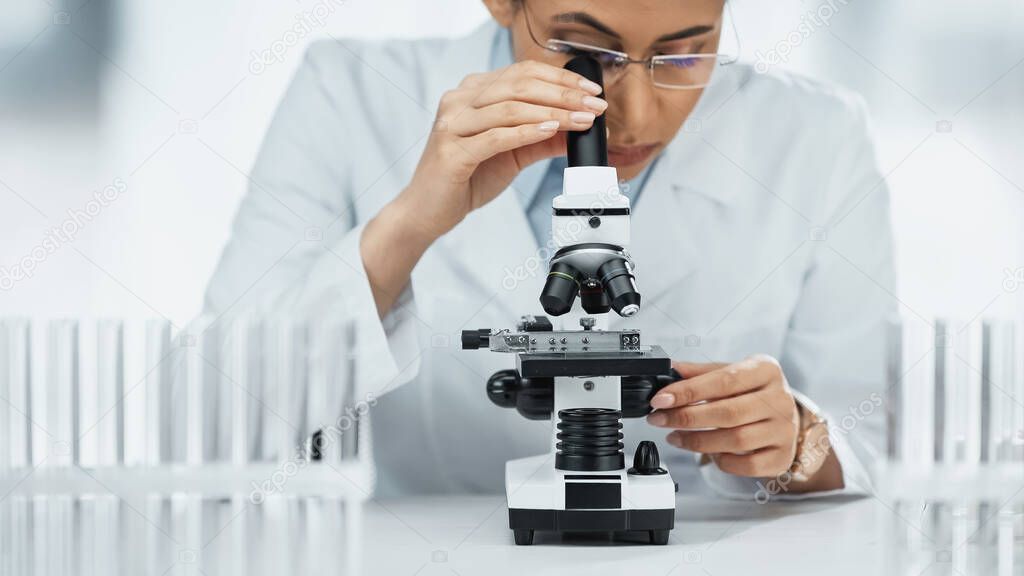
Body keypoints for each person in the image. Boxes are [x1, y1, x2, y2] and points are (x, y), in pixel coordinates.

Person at [204, 0, 896, 499]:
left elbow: (875, 441)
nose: (637, 113)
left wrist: (796, 440)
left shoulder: (818, 135)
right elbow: (224, 416)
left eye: (684, 53)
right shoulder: (348, 92)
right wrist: (411, 220)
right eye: (586, 55)